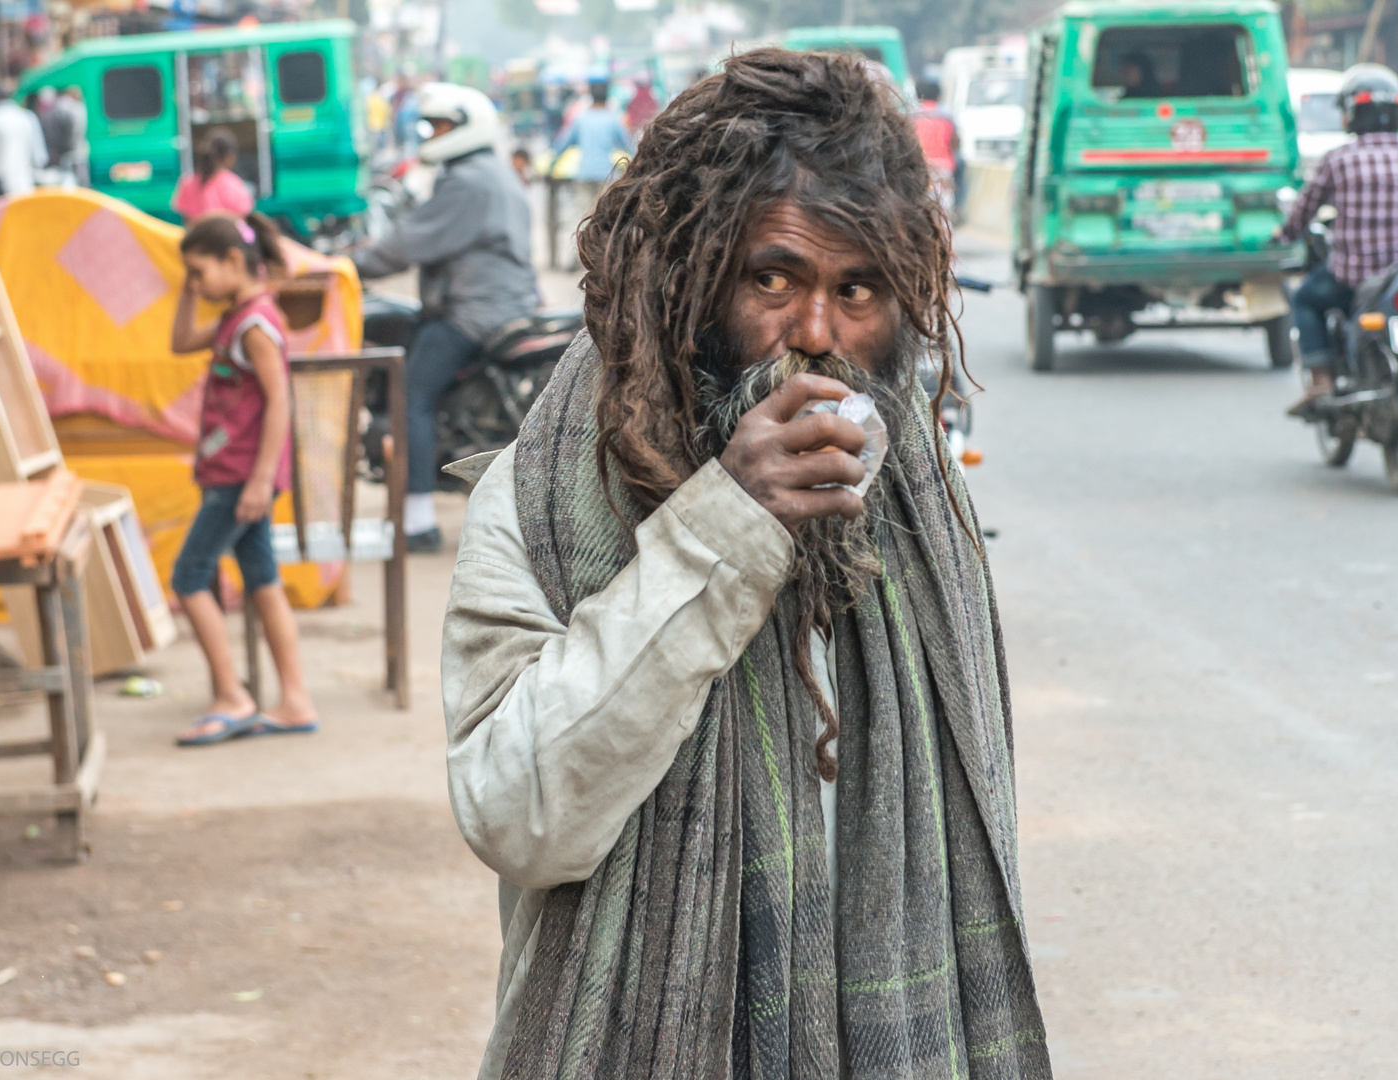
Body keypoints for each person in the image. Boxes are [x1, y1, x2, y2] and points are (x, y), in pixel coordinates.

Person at [442, 48, 1052, 1078]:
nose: (815, 332)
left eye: (859, 291)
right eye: (775, 277)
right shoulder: (546, 493)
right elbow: (518, 816)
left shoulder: (913, 486)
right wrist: (725, 527)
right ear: (691, 269)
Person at [350, 83, 538, 554]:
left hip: (477, 311)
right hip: (501, 303)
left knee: (409, 393)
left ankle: (416, 521)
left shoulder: (469, 180)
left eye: (440, 126)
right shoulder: (486, 171)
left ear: (466, 127)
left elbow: (409, 242)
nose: (431, 133)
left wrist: (350, 265)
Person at [168, 213, 317, 747]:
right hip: (238, 476)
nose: (196, 284)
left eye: (199, 272)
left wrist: (259, 481)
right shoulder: (239, 316)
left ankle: (231, 695)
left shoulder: (254, 325)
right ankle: (295, 699)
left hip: (240, 478)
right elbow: (181, 338)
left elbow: (280, 400)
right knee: (262, 579)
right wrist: (189, 288)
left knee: (189, 578)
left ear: (234, 261)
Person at [1277, 64, 1398, 414]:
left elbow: (1303, 211)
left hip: (1353, 279)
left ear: (1354, 114)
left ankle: (1321, 377)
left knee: (1305, 300)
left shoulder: (1339, 159)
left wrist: (1284, 234)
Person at [172, 128, 254, 221]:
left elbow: (187, 222)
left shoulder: (187, 183)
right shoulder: (234, 185)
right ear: (229, 157)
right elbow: (242, 219)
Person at [914, 78, 959, 217]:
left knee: (919, 203)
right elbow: (955, 141)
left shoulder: (911, 115)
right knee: (944, 205)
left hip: (919, 166)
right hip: (944, 165)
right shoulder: (947, 115)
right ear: (938, 95)